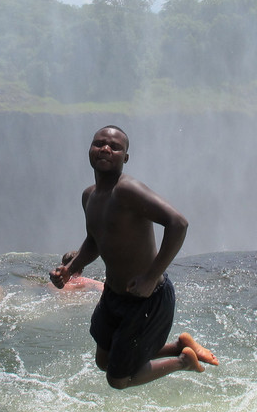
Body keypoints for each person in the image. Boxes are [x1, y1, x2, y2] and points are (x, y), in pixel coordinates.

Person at [50, 125, 218, 389]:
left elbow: (178, 223)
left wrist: (151, 277)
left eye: (115, 147)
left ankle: (184, 361)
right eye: (99, 143)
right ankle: (180, 346)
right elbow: (95, 241)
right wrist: (70, 269)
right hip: (113, 296)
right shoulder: (89, 196)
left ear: (125, 158)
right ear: (90, 150)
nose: (105, 148)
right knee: (104, 361)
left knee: (118, 379)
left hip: (146, 299)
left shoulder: (127, 191)